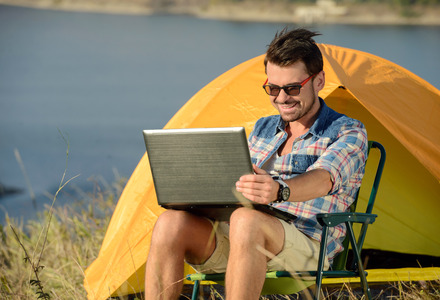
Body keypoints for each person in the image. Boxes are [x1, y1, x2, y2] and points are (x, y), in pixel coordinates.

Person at [144, 28, 368, 300]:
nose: (282, 98)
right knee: (170, 222)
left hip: (307, 247)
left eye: (293, 88)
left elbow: (324, 178)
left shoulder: (347, 132)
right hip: (243, 239)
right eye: (273, 89)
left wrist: (279, 190)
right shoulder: (263, 128)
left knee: (246, 219)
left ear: (319, 81)